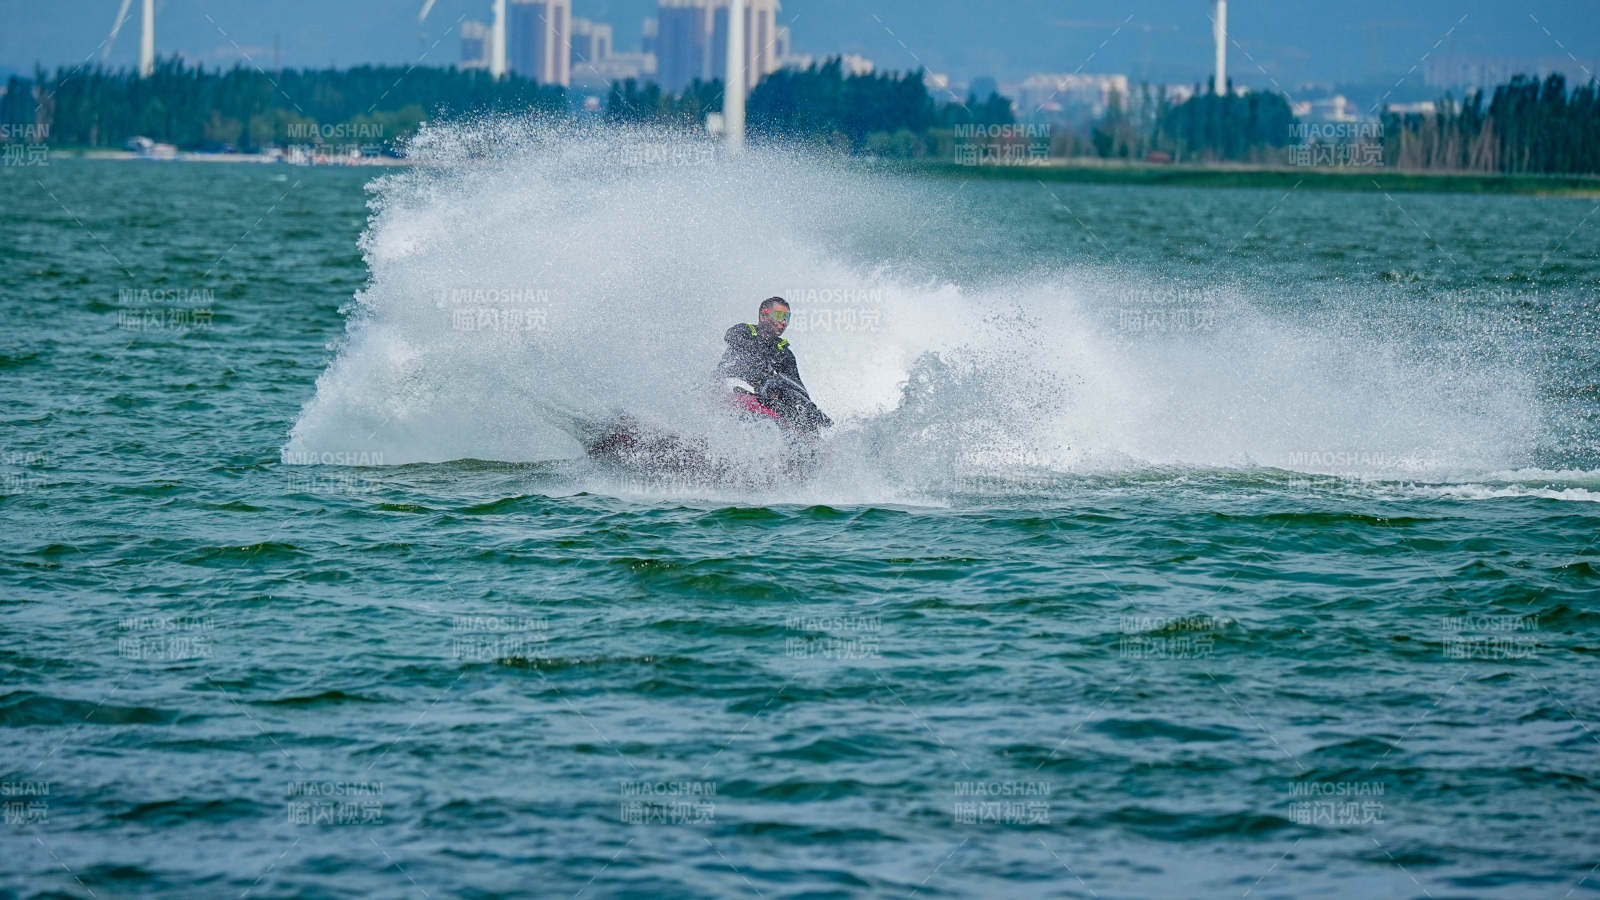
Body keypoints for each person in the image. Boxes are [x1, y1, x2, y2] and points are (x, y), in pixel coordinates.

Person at [715, 296, 833, 433]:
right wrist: (763, 365)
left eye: (787, 318)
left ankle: (818, 433)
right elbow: (730, 336)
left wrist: (807, 405)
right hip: (732, 385)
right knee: (771, 382)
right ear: (763, 316)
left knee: (795, 398)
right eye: (779, 316)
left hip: (761, 395)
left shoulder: (784, 353)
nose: (783, 322)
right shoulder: (745, 331)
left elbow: (797, 386)